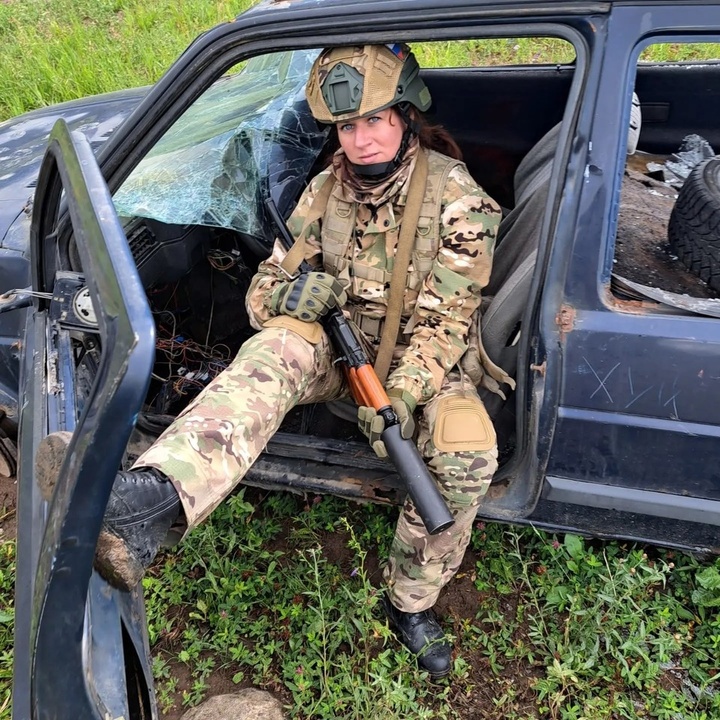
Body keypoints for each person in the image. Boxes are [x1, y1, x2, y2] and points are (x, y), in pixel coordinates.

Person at [89, 44, 505, 679]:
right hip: (339, 349)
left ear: (405, 116)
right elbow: (263, 287)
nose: (361, 140)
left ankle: (410, 603)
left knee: (465, 451)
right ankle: (153, 501)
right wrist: (286, 298)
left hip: (426, 362)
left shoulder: (458, 199)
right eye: (347, 126)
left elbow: (446, 323)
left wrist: (401, 395)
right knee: (273, 347)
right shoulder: (325, 189)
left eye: (375, 120)